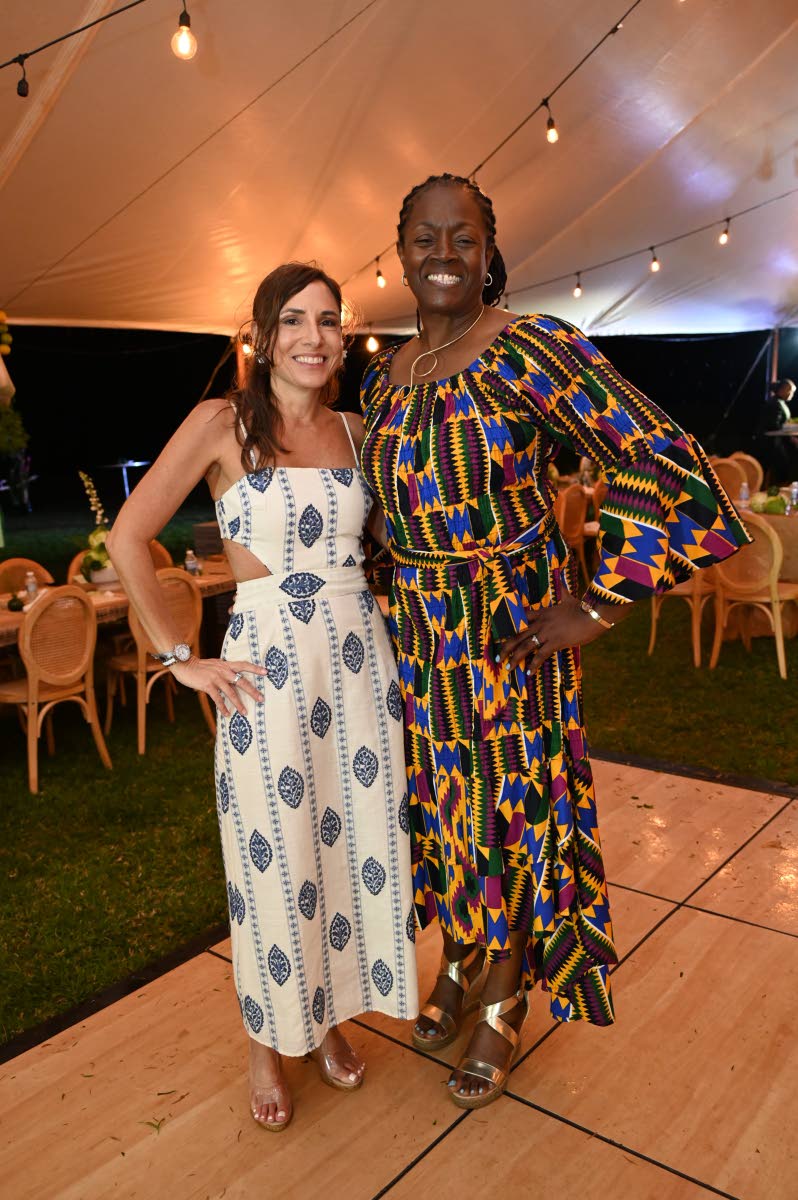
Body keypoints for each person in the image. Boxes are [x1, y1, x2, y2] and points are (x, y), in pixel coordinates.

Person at [359, 173, 749, 1111]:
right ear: (400, 252)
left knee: (513, 810)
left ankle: (506, 994)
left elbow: (657, 452)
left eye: (463, 236)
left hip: (508, 632)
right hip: (422, 641)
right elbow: (383, 509)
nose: (443, 252)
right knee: (446, 810)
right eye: (424, 235)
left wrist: (600, 604)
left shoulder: (533, 349)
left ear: (490, 252)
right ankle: (463, 957)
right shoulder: (384, 375)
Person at [108, 262, 418, 1132]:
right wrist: (181, 658)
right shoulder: (222, 423)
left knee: (349, 854)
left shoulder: (358, 430)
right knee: (273, 860)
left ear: (343, 337)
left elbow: (399, 541)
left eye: (329, 320)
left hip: (358, 668)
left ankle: (326, 1022)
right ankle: (266, 1043)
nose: (314, 337)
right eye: (294, 320)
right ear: (262, 336)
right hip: (266, 672)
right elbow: (128, 536)